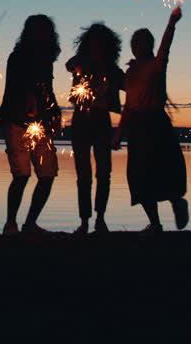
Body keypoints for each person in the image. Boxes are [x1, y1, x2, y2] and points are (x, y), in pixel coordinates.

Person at [113, 6, 188, 232]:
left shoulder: (156, 65)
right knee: (139, 177)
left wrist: (171, 24)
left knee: (162, 170)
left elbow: (166, 47)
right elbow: (128, 107)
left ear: (149, 45)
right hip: (137, 128)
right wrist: (118, 135)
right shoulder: (130, 73)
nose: (137, 46)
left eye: (142, 42)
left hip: (156, 125)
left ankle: (177, 202)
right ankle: (155, 223)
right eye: (135, 43)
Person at [0, 14, 63, 235]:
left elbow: (47, 90)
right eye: (37, 31)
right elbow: (18, 87)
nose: (41, 35)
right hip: (16, 121)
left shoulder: (46, 60)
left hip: (40, 123)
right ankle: (11, 224)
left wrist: (55, 113)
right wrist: (30, 102)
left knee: (48, 174)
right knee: (21, 175)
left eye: (44, 31)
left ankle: (29, 224)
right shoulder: (17, 57)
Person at [65, 22, 124, 234]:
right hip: (81, 118)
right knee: (83, 174)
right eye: (93, 41)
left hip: (101, 119)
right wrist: (81, 63)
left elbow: (127, 83)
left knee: (104, 172)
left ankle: (100, 218)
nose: (97, 45)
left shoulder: (112, 68)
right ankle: (84, 221)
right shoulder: (81, 61)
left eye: (100, 41)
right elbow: (69, 64)